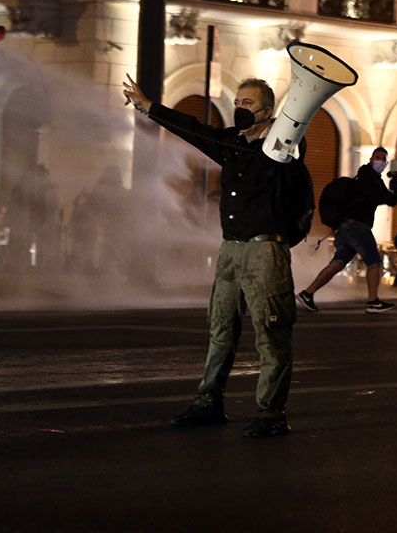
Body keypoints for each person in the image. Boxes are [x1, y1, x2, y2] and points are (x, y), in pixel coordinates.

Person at [123, 74, 313, 438]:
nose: (239, 108)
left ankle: (271, 414)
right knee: (220, 329)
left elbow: (295, 169)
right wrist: (149, 108)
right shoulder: (232, 144)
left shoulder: (285, 146)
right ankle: (208, 403)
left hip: (265, 250)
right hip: (231, 249)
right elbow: (194, 130)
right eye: (237, 102)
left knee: (271, 331)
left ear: (267, 112)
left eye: (247, 103)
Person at [296, 147, 397, 313]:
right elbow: (383, 197)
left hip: (345, 227)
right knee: (375, 262)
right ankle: (373, 301)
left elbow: (387, 199)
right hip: (357, 227)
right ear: (371, 160)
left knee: (337, 263)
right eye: (378, 157)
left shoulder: (371, 178)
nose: (380, 161)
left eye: (383, 159)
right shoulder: (368, 176)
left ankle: (307, 293)